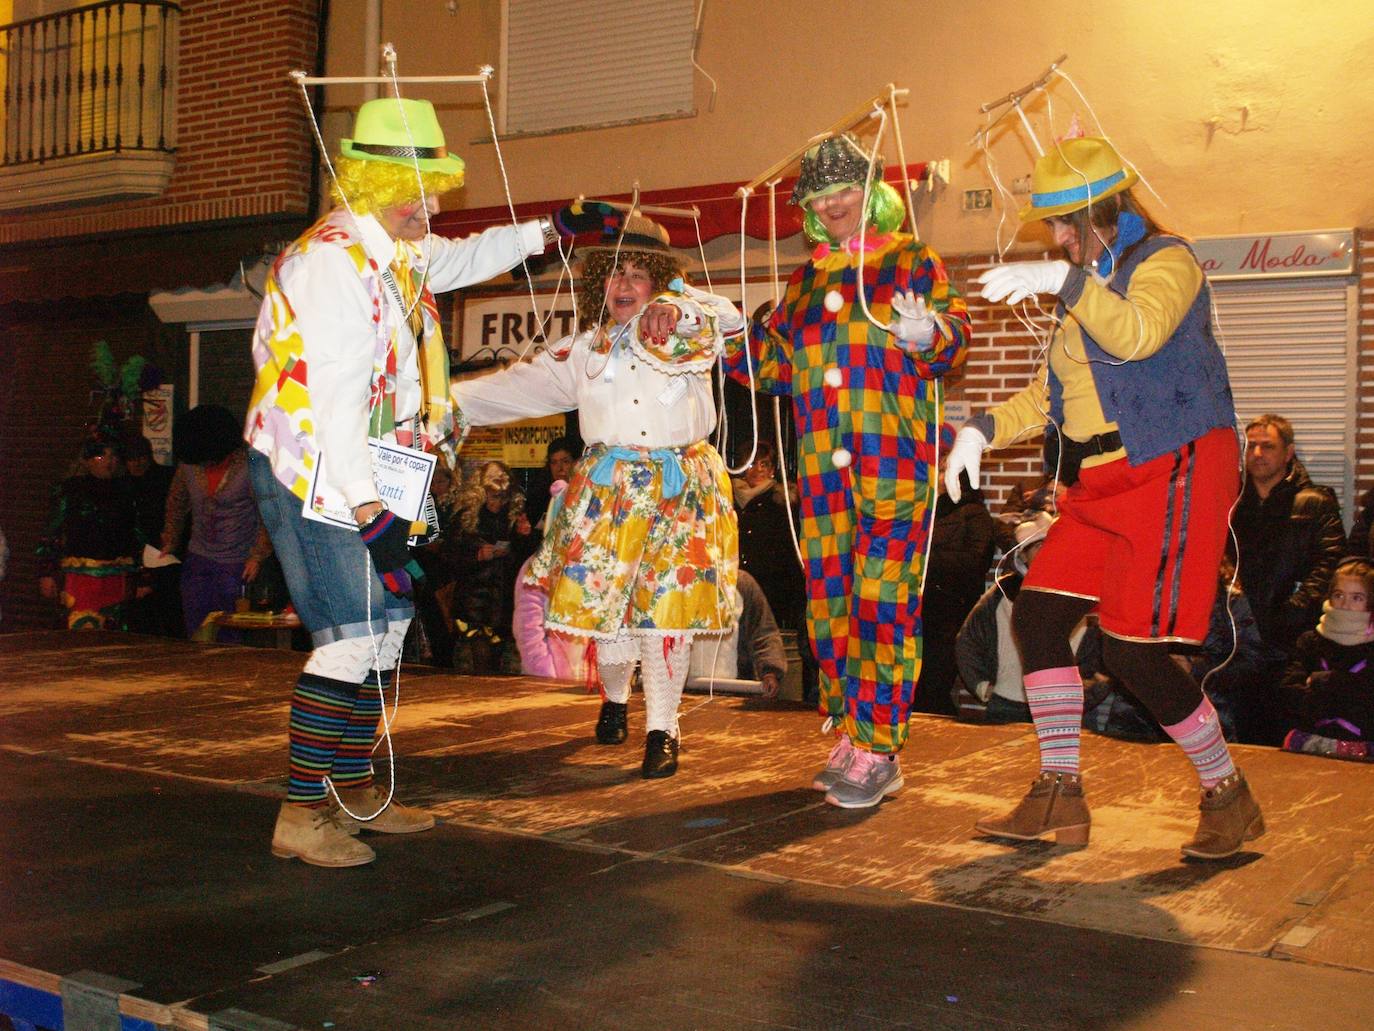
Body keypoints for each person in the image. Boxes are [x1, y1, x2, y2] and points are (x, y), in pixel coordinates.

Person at [244, 96, 561, 868]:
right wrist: (370, 511)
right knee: (351, 636)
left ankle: (351, 793)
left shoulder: (395, 248)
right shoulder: (332, 264)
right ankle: (300, 810)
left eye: (436, 187)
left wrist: (545, 233)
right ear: (364, 180)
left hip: (379, 464)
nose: (430, 204)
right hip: (321, 468)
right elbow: (334, 408)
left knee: (386, 631)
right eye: (414, 188)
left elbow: (456, 259)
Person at [950, 135, 1262, 860]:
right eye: (1052, 227)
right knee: (1038, 615)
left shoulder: (1167, 261)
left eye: (1065, 223)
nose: (1057, 239)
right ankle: (1060, 792)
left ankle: (1228, 794)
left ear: (1103, 211)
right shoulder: (1082, 285)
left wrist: (1063, 283)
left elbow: (1140, 335)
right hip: (1097, 484)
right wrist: (980, 429)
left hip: (1172, 467)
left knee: (1130, 651)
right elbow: (1054, 393)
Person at [723, 132, 971, 808]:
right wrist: (728, 340)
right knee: (832, 603)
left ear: (874, 192)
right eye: (819, 194)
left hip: (892, 461)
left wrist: (932, 336)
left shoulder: (913, 259)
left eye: (844, 188)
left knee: (883, 603)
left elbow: (952, 337)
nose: (832, 203)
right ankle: (855, 731)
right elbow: (777, 369)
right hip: (823, 477)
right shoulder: (805, 280)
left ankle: (881, 746)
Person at [452, 210, 743, 778]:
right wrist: (448, 403)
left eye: (639, 273)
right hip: (608, 495)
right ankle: (615, 697)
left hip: (680, 492)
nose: (626, 285)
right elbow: (520, 387)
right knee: (607, 624)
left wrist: (677, 307)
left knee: (666, 615)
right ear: (598, 284)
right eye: (614, 273)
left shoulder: (685, 330)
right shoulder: (585, 351)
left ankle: (664, 728)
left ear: (659, 278)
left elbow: (725, 321)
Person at [1229, 414, 1346, 741]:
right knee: (1243, 735)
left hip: (1293, 639)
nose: (1257, 454)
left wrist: (1294, 610)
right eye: (1251, 446)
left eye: (1268, 446)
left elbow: (1330, 563)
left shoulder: (1315, 502)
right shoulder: (1231, 501)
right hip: (1240, 640)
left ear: (1289, 451)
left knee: (1289, 733)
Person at [160, 405, 272, 639]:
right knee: (198, 629)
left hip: (236, 564)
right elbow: (176, 503)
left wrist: (257, 555)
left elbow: (267, 512)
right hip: (198, 559)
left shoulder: (249, 466)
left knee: (231, 633)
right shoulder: (190, 466)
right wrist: (169, 540)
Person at [36, 440, 146, 630]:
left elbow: (138, 535)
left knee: (115, 631)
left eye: (112, 456)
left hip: (117, 576)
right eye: (101, 456)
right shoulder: (70, 490)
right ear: (87, 461)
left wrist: (145, 575)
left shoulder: (127, 491)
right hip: (79, 577)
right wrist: (46, 572)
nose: (108, 462)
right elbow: (52, 531)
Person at [917, 468, 995, 715]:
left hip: (951, 609)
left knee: (935, 681)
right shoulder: (929, 514)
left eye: (943, 471)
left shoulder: (975, 516)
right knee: (918, 682)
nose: (938, 476)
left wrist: (927, 560)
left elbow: (974, 560)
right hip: (923, 608)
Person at [1279, 558, 1374, 761]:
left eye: (1357, 598)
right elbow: (1289, 695)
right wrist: (1348, 693)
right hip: (1309, 747)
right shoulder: (1311, 641)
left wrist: (1325, 681)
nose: (1345, 605)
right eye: (1338, 595)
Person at [447, 459, 531, 672]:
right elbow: (450, 556)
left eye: (503, 497)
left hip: (502, 599)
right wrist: (477, 555)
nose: (498, 502)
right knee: (476, 658)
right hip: (473, 600)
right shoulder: (466, 517)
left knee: (499, 659)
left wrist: (523, 537)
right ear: (482, 492)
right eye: (494, 496)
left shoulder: (512, 516)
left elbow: (525, 561)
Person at [123, 434, 183, 637]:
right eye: (131, 459)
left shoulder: (167, 479)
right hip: (137, 560)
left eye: (141, 458)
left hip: (167, 557)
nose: (137, 463)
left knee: (168, 616)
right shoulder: (124, 485)